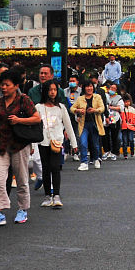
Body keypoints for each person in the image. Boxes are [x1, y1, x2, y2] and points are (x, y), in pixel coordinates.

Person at [0, 67, 40, 226]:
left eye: (7, 85)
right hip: (1, 145)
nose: (3, 87)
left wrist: (19, 120)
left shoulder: (24, 99)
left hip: (20, 144)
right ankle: (0, 211)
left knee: (21, 179)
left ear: (16, 85)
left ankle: (22, 209)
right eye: (2, 84)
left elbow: (36, 118)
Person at [37, 80, 77, 208]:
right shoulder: (38, 107)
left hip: (57, 142)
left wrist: (74, 143)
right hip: (42, 142)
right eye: (50, 90)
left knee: (55, 167)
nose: (52, 92)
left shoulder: (61, 107)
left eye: (54, 89)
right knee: (45, 168)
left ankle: (57, 195)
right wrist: (32, 146)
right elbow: (34, 127)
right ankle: (48, 195)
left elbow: (68, 126)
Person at [72, 82, 105, 170]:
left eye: (90, 86)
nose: (89, 88)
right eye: (87, 86)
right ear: (84, 88)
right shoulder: (80, 98)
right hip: (84, 124)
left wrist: (95, 110)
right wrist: (78, 110)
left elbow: (102, 108)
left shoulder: (97, 97)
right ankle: (84, 162)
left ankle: (97, 159)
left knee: (95, 144)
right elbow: (72, 108)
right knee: (83, 143)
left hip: (95, 124)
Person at [103, 82, 124, 159]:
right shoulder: (105, 96)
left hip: (115, 118)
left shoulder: (119, 97)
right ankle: (106, 151)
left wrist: (111, 107)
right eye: (111, 88)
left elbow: (121, 108)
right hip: (106, 117)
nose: (111, 89)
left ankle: (114, 152)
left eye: (114, 88)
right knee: (105, 135)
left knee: (114, 136)